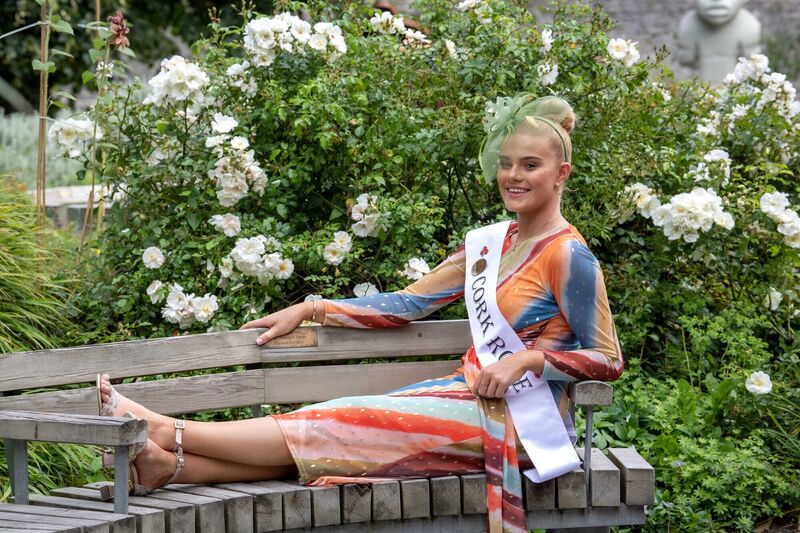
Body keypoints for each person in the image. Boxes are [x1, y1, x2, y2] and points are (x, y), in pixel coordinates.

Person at [97, 93, 624, 533]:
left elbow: (607, 358)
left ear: (561, 174)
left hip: (524, 424)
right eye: (506, 163)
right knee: (351, 425)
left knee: (347, 422)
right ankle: (169, 467)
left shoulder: (568, 256)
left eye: (529, 165)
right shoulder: (491, 243)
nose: (512, 175)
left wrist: (526, 361)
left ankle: (166, 430)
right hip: (465, 398)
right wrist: (313, 307)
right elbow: (409, 303)